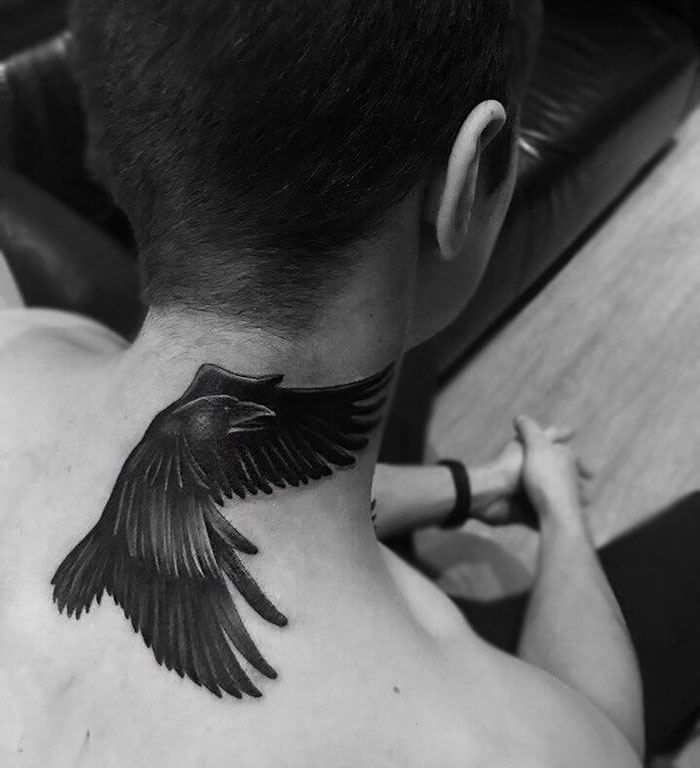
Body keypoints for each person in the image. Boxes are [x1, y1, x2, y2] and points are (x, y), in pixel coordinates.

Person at [0, 0, 654, 765]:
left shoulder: (23, 340)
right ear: (467, 180)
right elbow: (611, 732)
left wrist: (475, 486)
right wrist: (561, 511)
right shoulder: (494, 745)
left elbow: (268, 507)